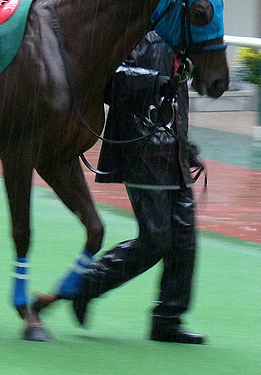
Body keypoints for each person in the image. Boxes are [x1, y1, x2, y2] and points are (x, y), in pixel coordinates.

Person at [71, 30, 206, 344]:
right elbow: (109, 81)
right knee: (156, 239)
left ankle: (168, 319)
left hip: (173, 149)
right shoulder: (136, 31)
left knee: (184, 239)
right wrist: (153, 82)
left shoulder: (179, 38)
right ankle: (88, 284)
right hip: (141, 146)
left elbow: (175, 102)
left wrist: (185, 145)